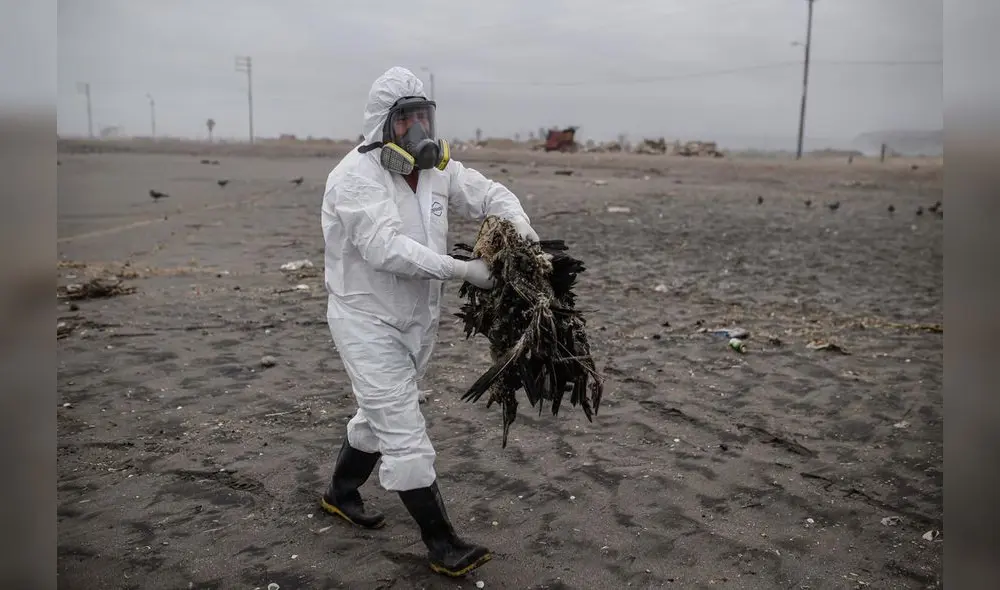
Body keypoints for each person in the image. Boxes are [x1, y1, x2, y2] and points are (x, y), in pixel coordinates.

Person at [318, 66, 538, 577]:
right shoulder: (353, 178)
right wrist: (466, 271)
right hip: (365, 318)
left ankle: (340, 492)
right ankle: (443, 545)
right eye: (405, 120)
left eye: (423, 116)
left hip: (419, 320)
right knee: (403, 428)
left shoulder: (437, 170)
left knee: (377, 414)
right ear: (382, 124)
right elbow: (387, 251)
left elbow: (490, 194)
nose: (417, 130)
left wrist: (519, 227)